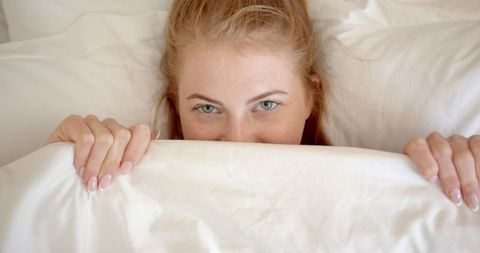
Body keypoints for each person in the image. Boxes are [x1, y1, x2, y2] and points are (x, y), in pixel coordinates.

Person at [47, 0, 479, 212]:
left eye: (267, 104)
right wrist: (56, 173)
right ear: (177, 106)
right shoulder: (129, 185)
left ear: (311, 97)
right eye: (208, 109)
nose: (237, 140)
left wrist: (457, 177)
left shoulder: (381, 185)